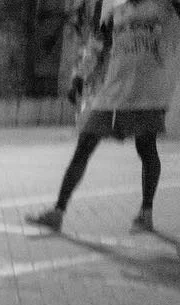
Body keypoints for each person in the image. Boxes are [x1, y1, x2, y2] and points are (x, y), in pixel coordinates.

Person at [27, 0, 180, 233]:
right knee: (84, 145)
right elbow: (96, 46)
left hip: (149, 93)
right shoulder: (115, 15)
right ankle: (57, 212)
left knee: (146, 148)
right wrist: (79, 77)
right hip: (114, 92)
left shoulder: (167, 10)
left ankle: (146, 212)